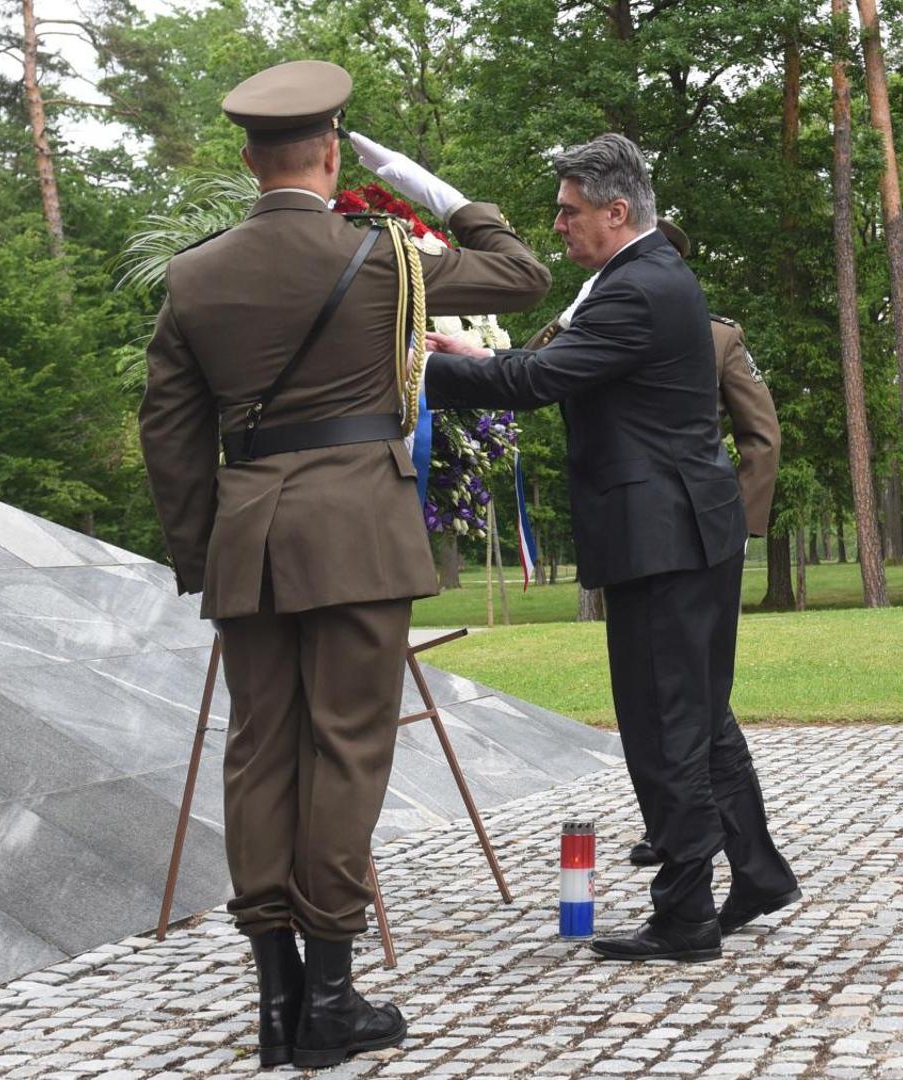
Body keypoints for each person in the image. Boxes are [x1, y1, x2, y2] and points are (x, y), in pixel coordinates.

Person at [138, 59, 549, 1068]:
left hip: (251, 541)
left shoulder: (193, 276)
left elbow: (169, 433)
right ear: (331, 155)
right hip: (357, 536)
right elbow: (522, 273)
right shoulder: (385, 260)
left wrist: (205, 556)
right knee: (346, 751)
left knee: (259, 755)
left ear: (247, 159)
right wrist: (432, 192)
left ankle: (275, 1006)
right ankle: (329, 998)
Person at [424, 134, 799, 963]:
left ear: (616, 211)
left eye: (568, 211)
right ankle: (757, 870)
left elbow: (532, 385)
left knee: (664, 725)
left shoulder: (635, 289)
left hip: (659, 536)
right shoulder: (649, 279)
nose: (557, 224)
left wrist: (423, 369)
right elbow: (549, 368)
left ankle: (685, 916)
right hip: (683, 530)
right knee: (698, 718)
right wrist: (476, 355)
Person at [524, 218, 784, 871]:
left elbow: (761, 436)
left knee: (671, 709)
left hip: (683, 530)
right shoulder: (594, 316)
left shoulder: (715, 334)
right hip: (641, 527)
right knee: (679, 708)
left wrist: (736, 525)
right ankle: (734, 863)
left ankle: (692, 869)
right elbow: (540, 365)